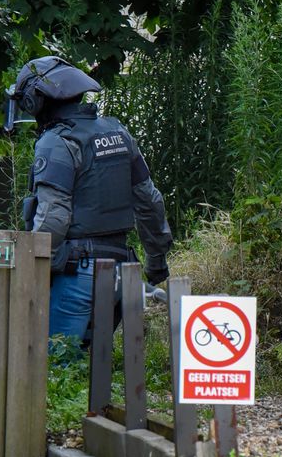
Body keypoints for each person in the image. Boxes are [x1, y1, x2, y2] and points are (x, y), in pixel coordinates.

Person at [10, 56, 172, 354]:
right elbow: (149, 201)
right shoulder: (118, 133)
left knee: (53, 370)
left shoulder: (56, 141)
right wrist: (156, 261)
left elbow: (53, 217)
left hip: (77, 273)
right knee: (94, 375)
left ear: (36, 101)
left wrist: (32, 267)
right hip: (122, 270)